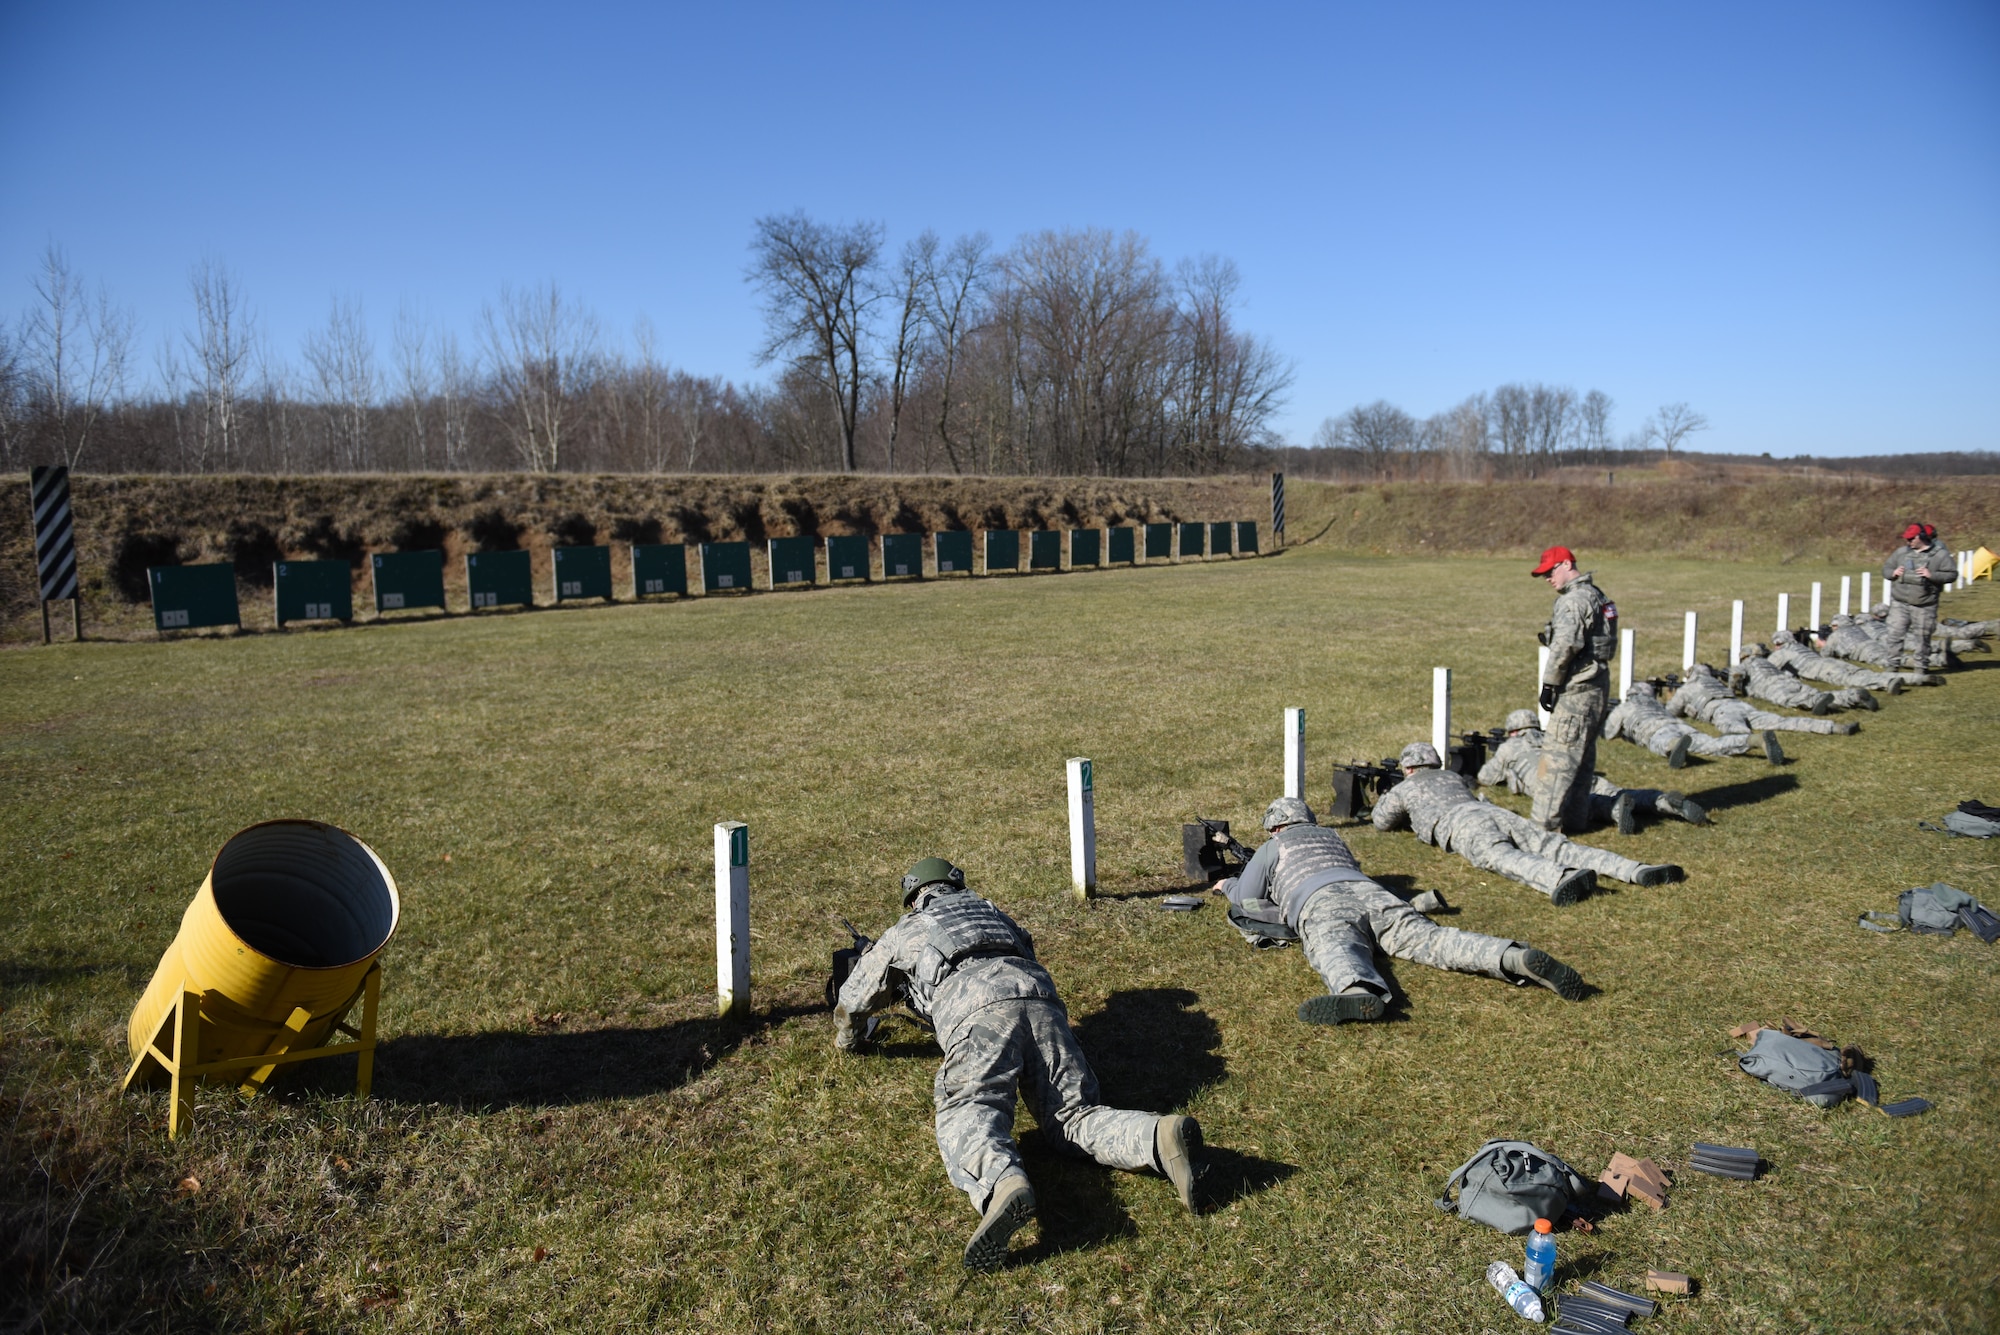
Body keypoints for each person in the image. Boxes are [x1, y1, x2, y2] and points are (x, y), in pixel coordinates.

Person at [834, 857, 1202, 1270]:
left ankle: (1001, 1182)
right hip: (1041, 1001)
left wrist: (848, 1040)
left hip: (978, 1011)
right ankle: (1157, 1135)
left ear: (914, 896)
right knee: (1074, 1116)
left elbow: (852, 1002)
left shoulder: (906, 930)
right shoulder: (994, 913)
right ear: (955, 885)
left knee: (971, 1108)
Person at [1217, 795, 1584, 1023]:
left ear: (1274, 828)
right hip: (1374, 894)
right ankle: (1511, 957)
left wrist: (1226, 886)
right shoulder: (1332, 836)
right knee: (1434, 940)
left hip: (1321, 901)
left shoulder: (1274, 846)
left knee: (1337, 946)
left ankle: (1356, 991)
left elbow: (1248, 897)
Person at [1371, 742, 1682, 905]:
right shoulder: (1451, 776)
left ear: (1408, 768)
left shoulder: (1406, 787)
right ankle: (1634, 869)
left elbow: (1382, 822)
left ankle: (1559, 878)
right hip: (1495, 812)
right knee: (1558, 845)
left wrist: (1386, 794)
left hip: (1461, 822)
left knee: (1500, 856)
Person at [1479, 708, 1707, 832]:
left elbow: (1485, 777)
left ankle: (1615, 811)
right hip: (1578, 771)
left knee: (1588, 803)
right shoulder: (1552, 736)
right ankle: (1664, 801)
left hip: (1550, 782)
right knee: (1617, 791)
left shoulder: (1510, 747)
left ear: (1512, 732)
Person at [1530, 546, 1616, 832]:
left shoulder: (1573, 602)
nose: (1547, 579)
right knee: (1581, 760)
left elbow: (1565, 646)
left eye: (1551, 571)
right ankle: (1575, 820)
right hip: (1596, 687)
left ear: (1567, 564)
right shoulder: (1597, 595)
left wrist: (1549, 684)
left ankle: (1543, 829)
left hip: (1577, 689)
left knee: (1556, 760)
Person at [1602, 679, 1782, 766]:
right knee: (1713, 744)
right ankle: (1755, 740)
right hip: (1679, 724)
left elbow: (1608, 734)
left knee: (1658, 743)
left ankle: (1673, 746)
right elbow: (1673, 709)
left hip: (1655, 730)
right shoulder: (1657, 705)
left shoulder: (1624, 708)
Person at [1670, 662, 1858, 735]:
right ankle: (1834, 727)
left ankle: (1760, 743)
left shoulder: (1687, 689)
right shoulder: (1717, 683)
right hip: (1742, 706)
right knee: (1784, 721)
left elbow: (1671, 712)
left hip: (1721, 711)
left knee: (1737, 735)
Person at [1882, 523, 1956, 669]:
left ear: (1921, 537)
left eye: (1911, 539)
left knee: (1922, 638)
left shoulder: (1940, 555)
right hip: (1899, 603)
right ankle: (1892, 666)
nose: (1908, 542)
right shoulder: (1901, 552)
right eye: (1907, 539)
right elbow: (1886, 568)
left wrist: (1932, 575)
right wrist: (1893, 573)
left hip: (1924, 605)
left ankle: (1921, 668)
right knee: (1894, 635)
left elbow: (1952, 574)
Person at [1732, 645, 1875, 714]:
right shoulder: (1767, 662)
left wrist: (1731, 691)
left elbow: (1735, 676)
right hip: (1787, 680)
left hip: (1769, 686)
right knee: (1816, 694)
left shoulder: (1746, 664)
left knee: (1789, 699)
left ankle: (1815, 703)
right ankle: (1853, 695)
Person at [1769, 629, 1907, 694]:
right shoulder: (1800, 646)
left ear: (1778, 643)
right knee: (1860, 672)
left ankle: (1886, 683)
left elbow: (1770, 670)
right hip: (1827, 661)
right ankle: (1909, 678)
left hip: (1818, 668)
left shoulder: (1781, 653)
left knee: (1848, 680)